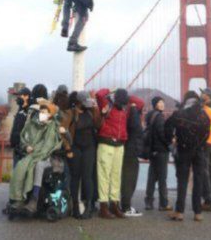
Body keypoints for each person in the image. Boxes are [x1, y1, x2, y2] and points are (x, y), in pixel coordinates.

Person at [7, 97, 62, 213]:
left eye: (44, 112)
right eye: (40, 111)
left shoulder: (52, 127)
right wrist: (26, 146)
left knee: (36, 166)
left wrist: (34, 152)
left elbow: (47, 146)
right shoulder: (33, 124)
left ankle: (34, 199)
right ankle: (17, 199)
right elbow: (24, 137)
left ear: (50, 115)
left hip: (47, 157)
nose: (41, 114)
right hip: (31, 154)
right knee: (21, 167)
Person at [166, 90, 211, 222]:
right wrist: (200, 145)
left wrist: (173, 139)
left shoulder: (179, 114)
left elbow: (167, 127)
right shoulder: (204, 116)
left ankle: (179, 211)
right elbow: (207, 134)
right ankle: (198, 213)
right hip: (199, 151)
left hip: (183, 150)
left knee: (182, 181)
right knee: (198, 181)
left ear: (186, 100)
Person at [95, 87, 129, 219]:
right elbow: (99, 93)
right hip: (106, 144)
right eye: (123, 97)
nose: (125, 99)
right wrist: (110, 90)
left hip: (119, 145)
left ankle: (114, 204)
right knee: (104, 176)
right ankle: (103, 207)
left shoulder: (124, 110)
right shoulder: (107, 105)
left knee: (116, 176)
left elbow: (139, 103)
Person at [68, 91, 100, 220]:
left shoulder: (91, 111)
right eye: (84, 103)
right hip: (75, 147)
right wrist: (67, 148)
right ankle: (75, 206)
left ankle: (89, 207)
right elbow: (64, 131)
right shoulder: (72, 113)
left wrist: (96, 108)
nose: (87, 104)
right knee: (75, 177)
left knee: (87, 177)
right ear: (78, 102)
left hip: (90, 147)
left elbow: (98, 125)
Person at [144, 96, 172, 212]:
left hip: (152, 151)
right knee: (162, 177)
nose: (162, 104)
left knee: (152, 177)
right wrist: (169, 143)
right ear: (155, 104)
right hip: (161, 151)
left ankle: (149, 202)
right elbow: (162, 134)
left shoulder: (149, 116)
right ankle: (163, 204)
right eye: (159, 102)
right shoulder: (160, 117)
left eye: (162, 102)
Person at [120, 95, 146, 216]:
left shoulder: (126, 113)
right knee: (129, 181)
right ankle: (126, 207)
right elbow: (137, 131)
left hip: (126, 151)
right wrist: (135, 107)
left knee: (126, 180)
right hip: (131, 152)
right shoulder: (133, 114)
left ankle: (123, 206)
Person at [9, 86, 32, 166]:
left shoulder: (29, 112)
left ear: (27, 97)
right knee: (16, 175)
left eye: (20, 95)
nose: (18, 97)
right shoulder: (20, 110)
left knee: (19, 176)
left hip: (23, 150)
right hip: (17, 149)